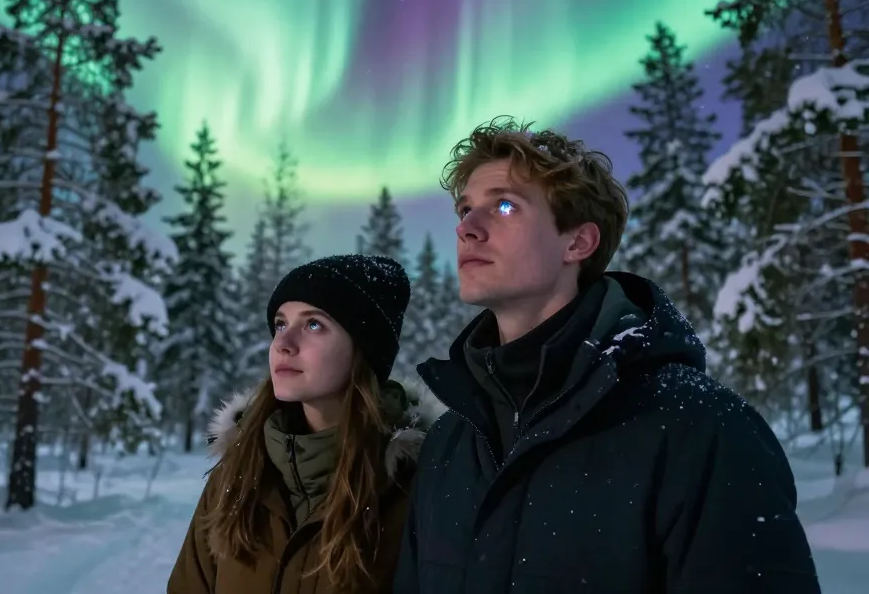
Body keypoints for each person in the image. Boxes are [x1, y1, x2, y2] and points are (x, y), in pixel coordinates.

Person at [393, 117, 821, 593]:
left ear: (578, 242)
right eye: (465, 209)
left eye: (505, 206)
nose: (467, 229)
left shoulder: (700, 430)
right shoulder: (450, 444)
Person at [167, 253, 443, 594]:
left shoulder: (416, 487)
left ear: (364, 350)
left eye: (314, 324)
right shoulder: (239, 472)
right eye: (281, 324)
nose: (283, 344)